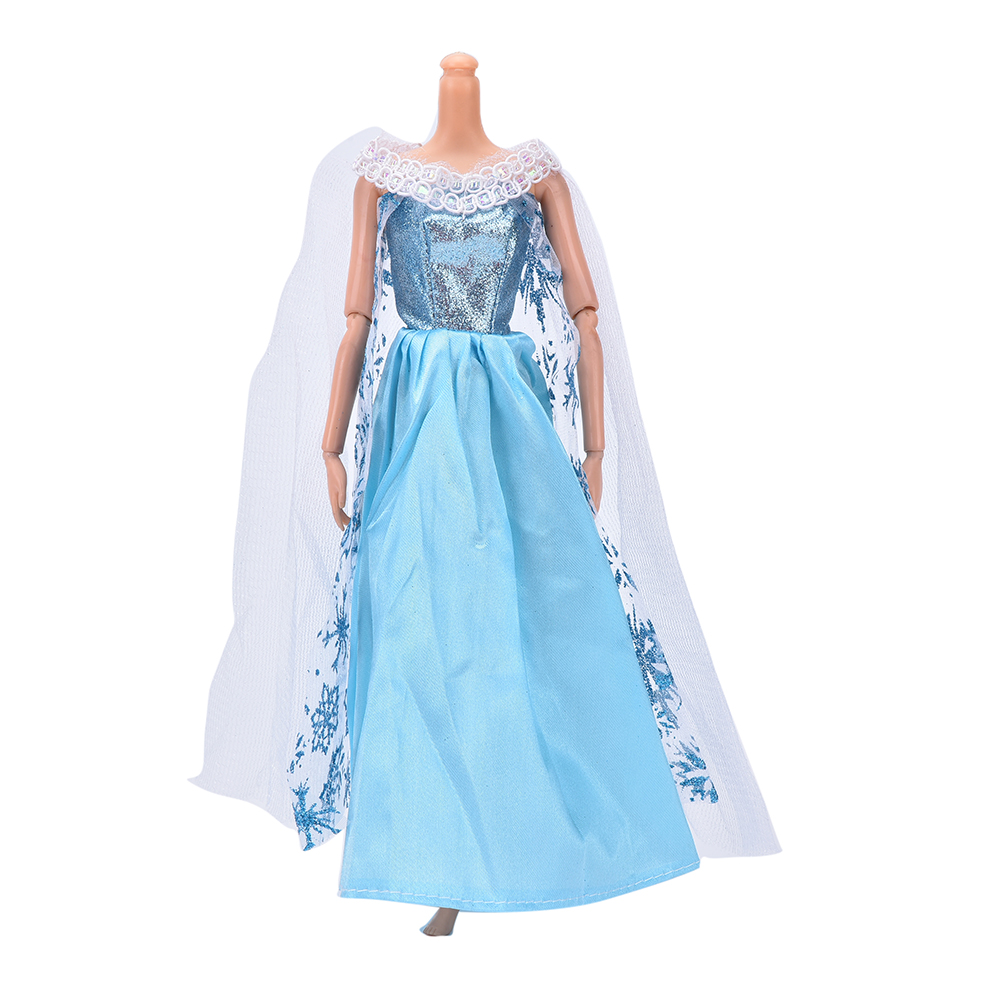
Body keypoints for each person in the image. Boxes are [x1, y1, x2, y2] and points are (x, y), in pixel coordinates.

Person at [191, 52, 781, 939]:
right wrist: (329, 444)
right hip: (417, 413)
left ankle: (546, 842)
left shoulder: (532, 173)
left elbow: (586, 317)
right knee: (415, 627)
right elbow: (355, 320)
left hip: (507, 413)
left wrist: (595, 444)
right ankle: (437, 855)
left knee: (531, 621)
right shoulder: (382, 176)